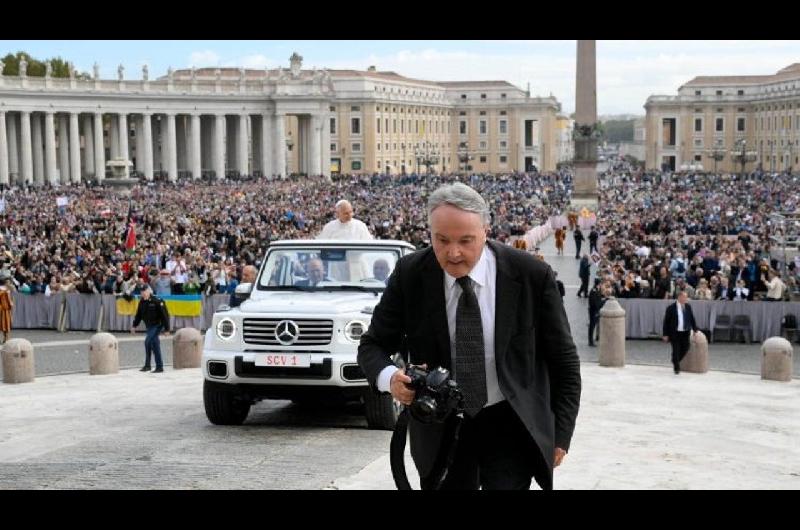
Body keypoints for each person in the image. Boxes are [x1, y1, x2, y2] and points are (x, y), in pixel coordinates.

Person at [358, 182, 581, 490]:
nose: (453, 253)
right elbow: (373, 345)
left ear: (485, 232)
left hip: (510, 421)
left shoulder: (530, 274)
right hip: (440, 424)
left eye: (466, 240)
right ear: (430, 234)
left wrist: (561, 433)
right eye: (442, 240)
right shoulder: (410, 273)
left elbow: (564, 361)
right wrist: (389, 378)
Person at [131, 285, 171, 373]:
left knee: (147, 341)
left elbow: (165, 316)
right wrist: (134, 326)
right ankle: (158, 366)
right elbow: (138, 315)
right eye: (141, 291)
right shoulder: (141, 302)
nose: (143, 293)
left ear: (149, 291)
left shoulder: (157, 301)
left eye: (144, 291)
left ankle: (149, 365)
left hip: (157, 325)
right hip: (149, 326)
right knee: (154, 345)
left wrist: (167, 329)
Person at [662, 290, 699, 375]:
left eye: (686, 297)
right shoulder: (671, 308)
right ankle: (676, 368)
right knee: (676, 350)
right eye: (684, 297)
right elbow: (666, 322)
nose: (686, 299)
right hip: (675, 333)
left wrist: (695, 330)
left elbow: (692, 319)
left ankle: (675, 360)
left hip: (685, 332)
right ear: (679, 297)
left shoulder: (688, 307)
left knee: (686, 347)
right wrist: (665, 334)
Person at [587, 278, 606, 347]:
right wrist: (603, 301)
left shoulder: (596, 290)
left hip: (595, 310)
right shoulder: (594, 291)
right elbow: (596, 303)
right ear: (599, 284)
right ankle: (590, 341)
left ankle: (591, 340)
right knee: (592, 326)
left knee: (593, 326)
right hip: (593, 311)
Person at [0, 277, 14, 343]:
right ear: (5, 283)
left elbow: (10, 299)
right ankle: (6, 338)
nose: (9, 284)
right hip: (3, 309)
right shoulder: (4, 290)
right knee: (4, 324)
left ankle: (6, 338)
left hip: (5, 309)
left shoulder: (7, 290)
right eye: (8, 282)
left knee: (5, 324)